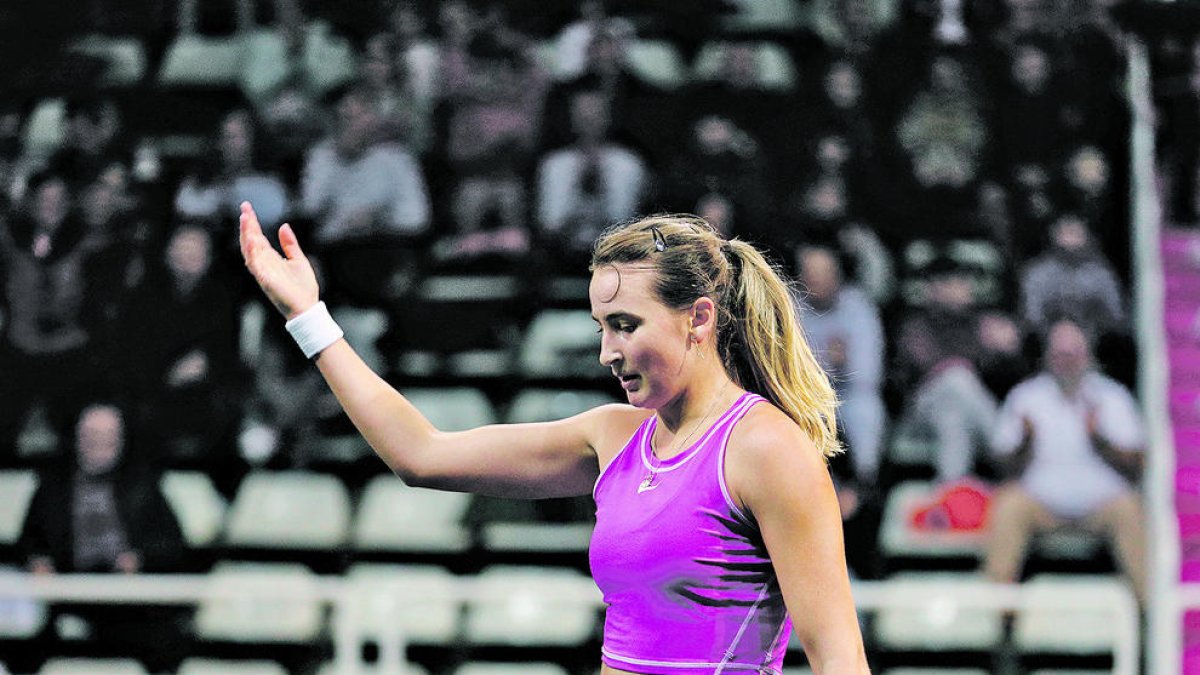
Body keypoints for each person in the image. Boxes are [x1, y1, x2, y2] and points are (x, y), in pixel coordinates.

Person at [238, 202, 870, 673]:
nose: (607, 352)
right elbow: (421, 455)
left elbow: (838, 656)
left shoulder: (765, 449)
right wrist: (310, 320)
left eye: (625, 325)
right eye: (601, 327)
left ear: (698, 318)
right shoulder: (614, 437)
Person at [983, 318, 1146, 603]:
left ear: (1088, 355)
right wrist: (1025, 442)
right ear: (1048, 357)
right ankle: (995, 616)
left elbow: (1136, 466)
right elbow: (1001, 465)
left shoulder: (1111, 396)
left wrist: (1099, 439)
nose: (1068, 361)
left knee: (1130, 509)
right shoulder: (1026, 397)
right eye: (1061, 354)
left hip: (1101, 504)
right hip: (1040, 503)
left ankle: (1150, 617)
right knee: (1008, 505)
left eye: (1074, 353)